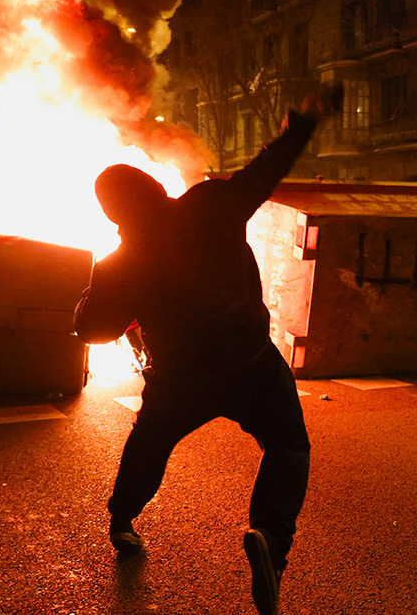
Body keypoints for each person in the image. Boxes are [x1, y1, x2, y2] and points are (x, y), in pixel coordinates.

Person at [74, 83, 343, 615]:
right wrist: (303, 124)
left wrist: (97, 289)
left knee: (149, 445)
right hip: (251, 363)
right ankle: (270, 541)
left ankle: (123, 521)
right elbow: (267, 170)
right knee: (288, 448)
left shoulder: (119, 262)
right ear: (154, 186)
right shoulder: (213, 205)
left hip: (180, 378)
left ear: (113, 216)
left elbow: (92, 330)